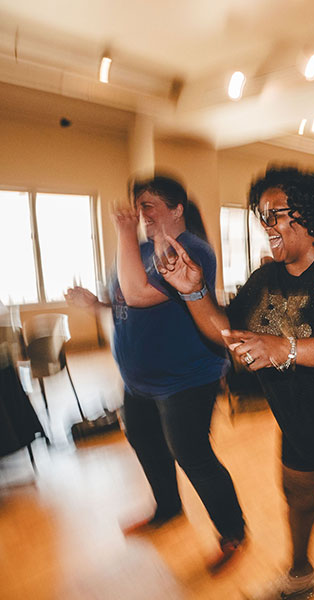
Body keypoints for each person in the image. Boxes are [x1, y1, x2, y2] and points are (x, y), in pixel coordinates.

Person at [155, 166, 314, 600]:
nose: (266, 224)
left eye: (275, 213)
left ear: (309, 216)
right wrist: (194, 291)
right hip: (302, 418)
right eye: (262, 215)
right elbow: (229, 333)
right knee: (297, 492)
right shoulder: (264, 280)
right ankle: (300, 575)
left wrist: (286, 348)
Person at [65, 175, 245, 571]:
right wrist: (96, 303)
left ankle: (232, 532)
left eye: (148, 205)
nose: (140, 213)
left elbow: (139, 293)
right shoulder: (142, 249)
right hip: (138, 380)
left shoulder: (190, 249)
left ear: (177, 208)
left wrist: (124, 233)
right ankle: (168, 508)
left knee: (193, 456)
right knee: (146, 443)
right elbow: (126, 304)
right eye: (138, 206)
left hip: (185, 379)